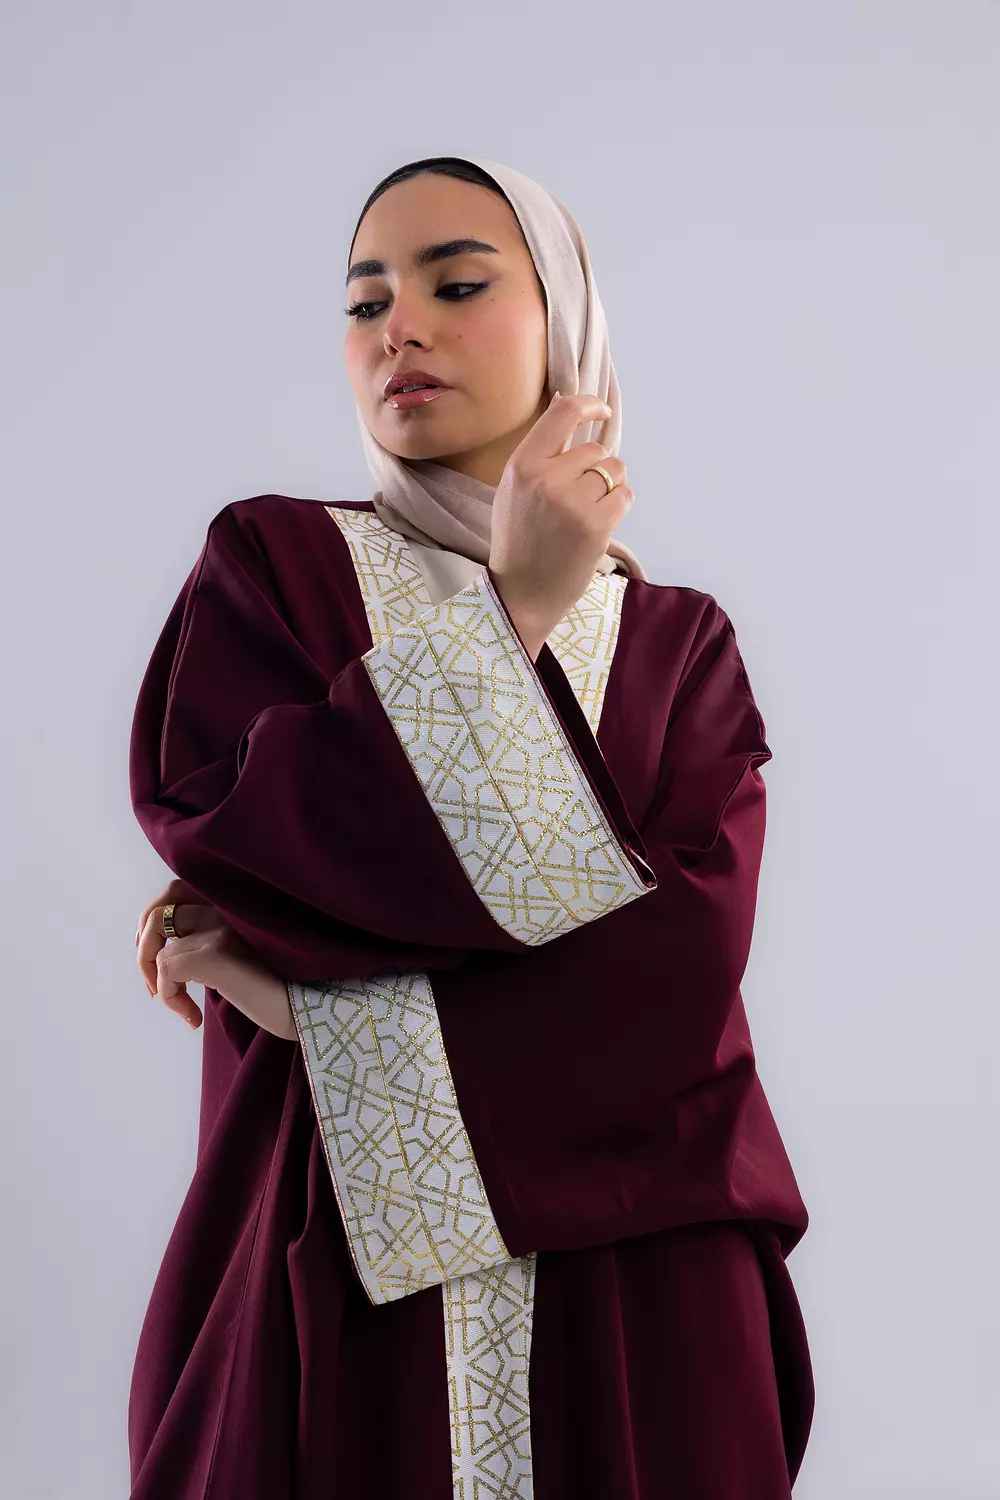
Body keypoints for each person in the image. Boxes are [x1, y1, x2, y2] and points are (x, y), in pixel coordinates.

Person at [128, 155, 814, 1500]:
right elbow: (233, 822)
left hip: (645, 1293)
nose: (400, 327)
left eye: (456, 284)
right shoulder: (274, 569)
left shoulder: (679, 648)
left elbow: (679, 991)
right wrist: (515, 611)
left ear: (566, 321)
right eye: (365, 299)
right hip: (335, 1269)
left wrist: (311, 1006)